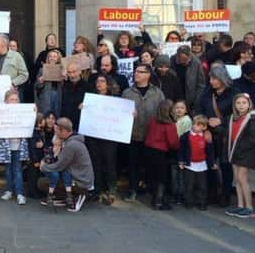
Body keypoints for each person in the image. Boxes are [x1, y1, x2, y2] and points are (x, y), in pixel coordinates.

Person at [122, 63, 166, 202]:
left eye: (140, 72)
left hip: (152, 136)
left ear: (148, 75)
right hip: (134, 134)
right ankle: (132, 190)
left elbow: (163, 112)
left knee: (151, 165)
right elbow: (119, 112)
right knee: (133, 164)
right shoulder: (127, 92)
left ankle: (153, 191)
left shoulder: (157, 93)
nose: (136, 74)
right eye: (135, 71)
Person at [195, 64, 237, 207]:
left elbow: (239, 113)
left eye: (214, 78)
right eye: (211, 78)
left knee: (226, 166)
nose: (211, 81)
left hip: (226, 134)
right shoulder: (206, 93)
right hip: (209, 134)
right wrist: (204, 127)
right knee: (209, 164)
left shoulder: (233, 93)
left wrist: (221, 120)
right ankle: (211, 193)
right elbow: (198, 110)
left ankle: (225, 194)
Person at [40, 117, 94, 213]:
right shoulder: (70, 141)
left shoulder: (71, 144)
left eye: (57, 131)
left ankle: (80, 194)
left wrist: (44, 167)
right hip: (74, 176)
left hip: (81, 181)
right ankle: (64, 197)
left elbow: (59, 165)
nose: (55, 133)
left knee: (42, 182)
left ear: (64, 131)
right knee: (51, 178)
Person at [224, 93, 255, 219]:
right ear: (234, 105)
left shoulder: (253, 118)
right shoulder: (233, 117)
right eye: (238, 103)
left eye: (244, 103)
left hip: (246, 153)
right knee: (237, 179)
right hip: (235, 152)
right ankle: (240, 206)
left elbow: (254, 138)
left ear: (249, 104)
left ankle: (249, 208)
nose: (241, 105)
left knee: (242, 178)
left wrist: (241, 148)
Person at [86, 74, 120, 205]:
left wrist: (130, 114)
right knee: (96, 163)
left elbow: (122, 115)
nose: (99, 84)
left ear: (108, 84)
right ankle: (97, 190)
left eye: (102, 81)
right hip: (93, 136)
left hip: (109, 137)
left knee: (109, 163)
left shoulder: (115, 99)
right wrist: (83, 108)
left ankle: (111, 190)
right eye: (97, 81)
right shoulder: (91, 98)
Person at [0, 89, 30, 205]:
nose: (14, 101)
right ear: (5, 101)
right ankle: (9, 190)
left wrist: (33, 113)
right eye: (11, 99)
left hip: (18, 145)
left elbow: (30, 121)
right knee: (8, 170)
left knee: (18, 170)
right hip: (6, 147)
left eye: (15, 99)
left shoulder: (23, 111)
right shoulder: (0, 111)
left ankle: (19, 193)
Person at [144, 100, 180, 210]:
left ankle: (154, 198)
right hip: (160, 152)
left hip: (149, 149)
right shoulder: (169, 125)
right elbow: (173, 143)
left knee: (153, 175)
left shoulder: (153, 121)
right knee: (161, 177)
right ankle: (158, 201)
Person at [178, 115, 215, 210]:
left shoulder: (206, 137)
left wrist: (211, 163)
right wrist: (181, 161)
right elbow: (181, 150)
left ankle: (202, 202)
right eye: (194, 124)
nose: (195, 126)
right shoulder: (186, 136)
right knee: (189, 184)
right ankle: (188, 202)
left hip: (202, 165)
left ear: (204, 127)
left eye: (198, 125)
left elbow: (210, 151)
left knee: (202, 185)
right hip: (189, 165)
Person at [0, 33, 29, 99]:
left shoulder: (16, 56)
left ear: (4, 43)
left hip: (12, 94)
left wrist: (12, 83)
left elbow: (24, 75)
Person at [171, 45, 206, 111]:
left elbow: (201, 84)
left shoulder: (196, 62)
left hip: (190, 100)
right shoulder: (172, 61)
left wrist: (196, 100)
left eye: (187, 59)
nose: (187, 62)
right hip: (175, 98)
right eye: (183, 60)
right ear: (177, 57)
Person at [172, 100, 192, 204]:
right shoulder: (175, 120)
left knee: (180, 175)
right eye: (177, 107)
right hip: (175, 149)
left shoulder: (186, 120)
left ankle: (180, 195)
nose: (179, 110)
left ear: (186, 110)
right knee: (175, 174)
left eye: (182, 108)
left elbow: (184, 137)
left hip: (182, 150)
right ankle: (176, 194)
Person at [60, 62, 88, 132]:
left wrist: (86, 104)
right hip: (65, 124)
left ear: (80, 72)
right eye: (69, 72)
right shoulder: (64, 85)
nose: (72, 75)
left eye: (74, 72)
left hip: (80, 124)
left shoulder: (87, 86)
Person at [35, 49, 64, 115]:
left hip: (58, 95)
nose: (52, 58)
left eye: (54, 56)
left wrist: (64, 79)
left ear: (58, 58)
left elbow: (66, 87)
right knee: (46, 115)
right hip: (46, 96)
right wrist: (40, 81)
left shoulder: (62, 70)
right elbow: (36, 86)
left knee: (57, 114)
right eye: (50, 56)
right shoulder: (42, 70)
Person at [27, 114, 48, 199]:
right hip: (34, 160)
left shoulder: (40, 132)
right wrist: (35, 161)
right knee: (33, 176)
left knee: (37, 176)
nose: (45, 121)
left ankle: (37, 191)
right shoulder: (34, 133)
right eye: (43, 120)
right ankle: (32, 192)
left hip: (39, 158)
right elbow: (32, 148)